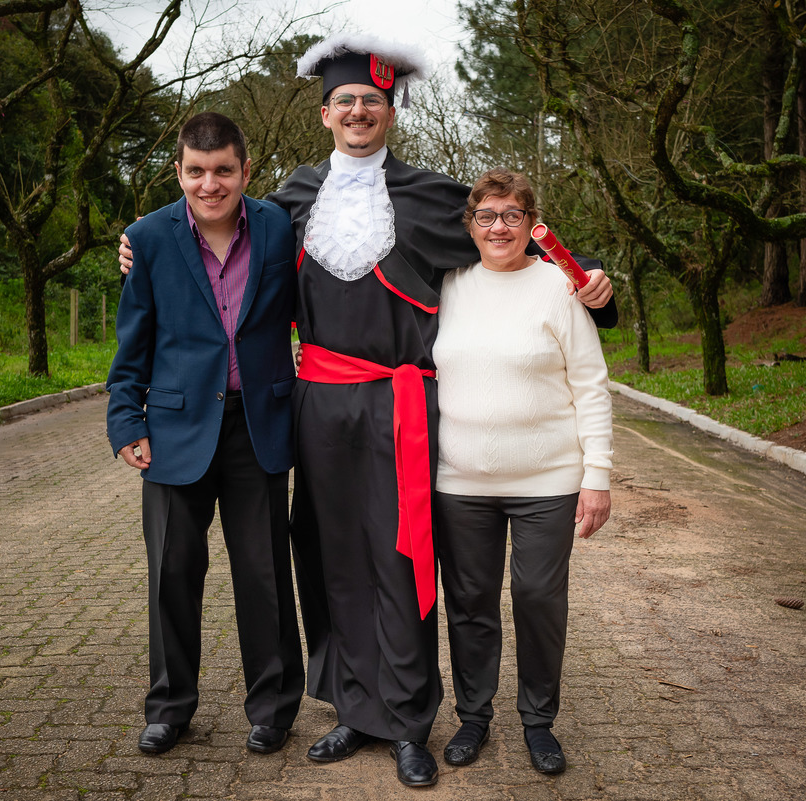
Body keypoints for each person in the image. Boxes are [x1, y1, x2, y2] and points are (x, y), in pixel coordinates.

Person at [118, 36, 616, 788]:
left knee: (401, 557)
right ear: (325, 113)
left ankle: (410, 720)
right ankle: (354, 708)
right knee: (329, 556)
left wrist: (591, 289)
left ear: (390, 112)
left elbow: (509, 244)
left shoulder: (434, 195)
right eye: (345, 101)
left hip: (400, 403)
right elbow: (207, 225)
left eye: (371, 102)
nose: (358, 111)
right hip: (315, 401)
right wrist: (136, 247)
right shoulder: (287, 201)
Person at [105, 112, 304, 759]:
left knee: (264, 574)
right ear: (179, 171)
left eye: (223, 170)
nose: (209, 183)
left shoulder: (279, 228)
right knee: (171, 573)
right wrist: (125, 420)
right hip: (171, 430)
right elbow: (132, 344)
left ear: (246, 170)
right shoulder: (148, 238)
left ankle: (272, 707)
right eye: (196, 170)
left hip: (259, 424)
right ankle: (169, 707)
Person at [433, 168, 613, 775]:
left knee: (538, 597)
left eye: (512, 214)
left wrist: (598, 475)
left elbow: (591, 385)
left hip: (547, 481)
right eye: (486, 215)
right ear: (471, 224)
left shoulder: (561, 288)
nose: (499, 226)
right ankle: (473, 717)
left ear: (532, 225)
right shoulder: (449, 284)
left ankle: (538, 721)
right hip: (460, 482)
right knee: (470, 600)